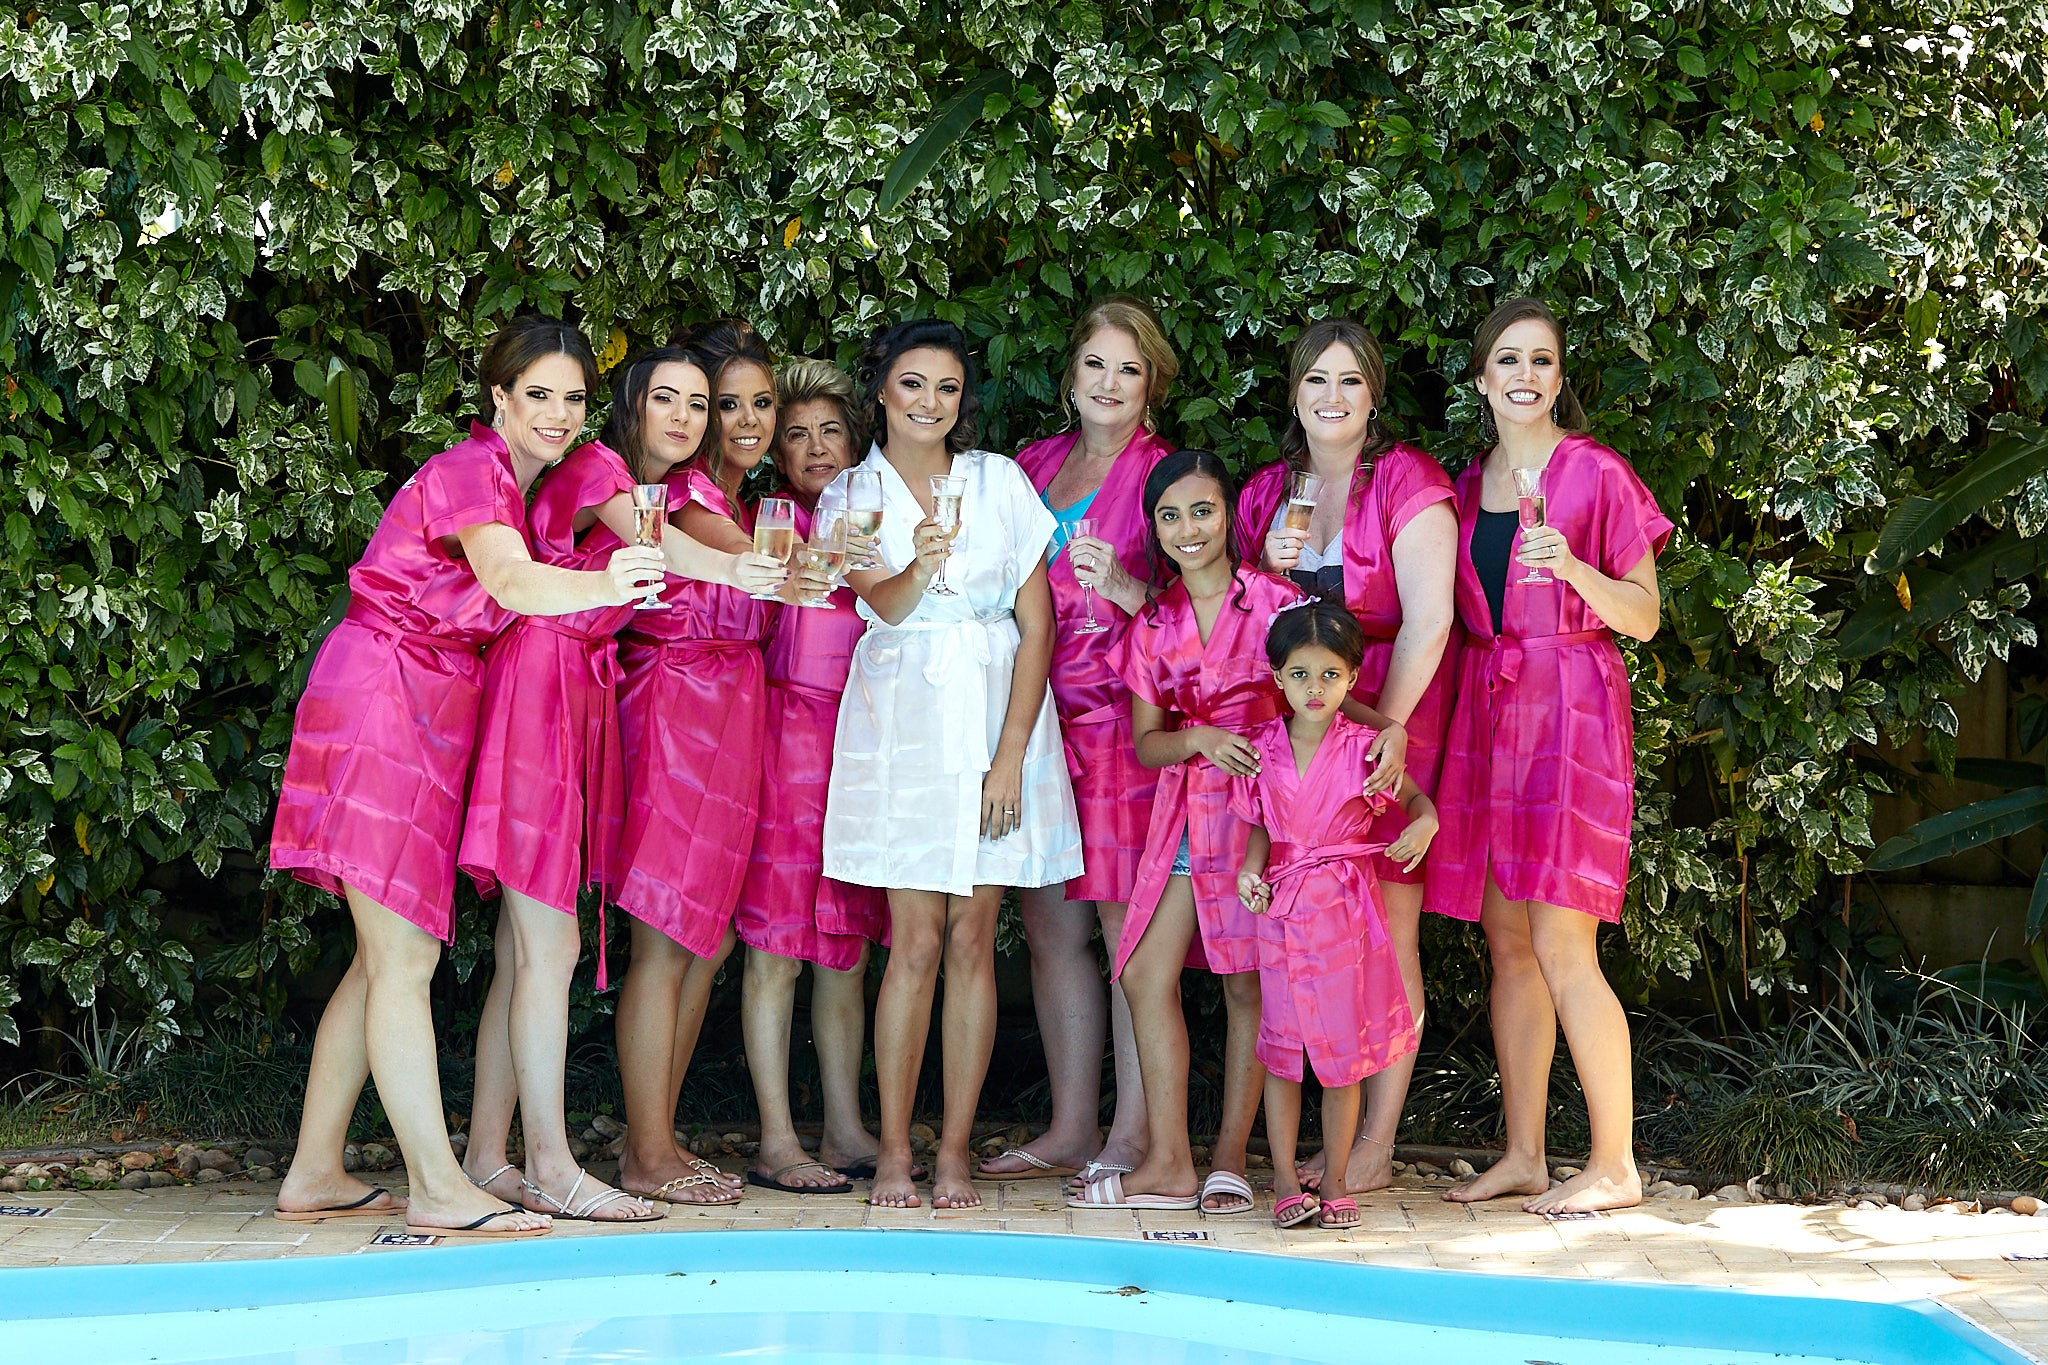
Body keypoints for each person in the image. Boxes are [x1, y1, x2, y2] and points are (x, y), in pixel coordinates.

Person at [271, 316, 683, 1237]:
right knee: (406, 955)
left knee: (379, 958)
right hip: (384, 699)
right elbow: (510, 582)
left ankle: (312, 1169)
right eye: (538, 393)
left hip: (424, 708)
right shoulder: (470, 471)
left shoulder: (523, 483)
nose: (557, 412)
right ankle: (437, 1185)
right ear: (498, 398)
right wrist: (610, 582)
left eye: (573, 398)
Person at [820, 318, 1082, 1211]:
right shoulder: (851, 493)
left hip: (993, 714)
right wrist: (915, 561)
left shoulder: (999, 480)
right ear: (881, 392)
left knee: (975, 936)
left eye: (946, 388)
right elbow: (883, 606)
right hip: (900, 722)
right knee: (916, 940)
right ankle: (895, 1150)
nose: (930, 403)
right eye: (911, 384)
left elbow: (1037, 622)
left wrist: (1010, 755)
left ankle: (957, 1151)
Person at [1430, 297, 1673, 1215]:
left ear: (1558, 378)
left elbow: (1644, 618)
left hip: (1572, 715)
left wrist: (1572, 568)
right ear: (1482, 379)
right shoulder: (1465, 486)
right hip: (1490, 722)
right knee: (1507, 943)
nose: (1524, 375)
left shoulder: (1596, 473)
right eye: (1508, 360)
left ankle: (1614, 1162)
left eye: (1541, 360)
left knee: (1565, 942)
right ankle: (1526, 1152)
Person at [1236, 319, 1454, 1196]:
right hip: (1298, 738)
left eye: (1351, 381)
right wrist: (1266, 565)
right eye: (1316, 380)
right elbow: (1244, 615)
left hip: (1396, 719)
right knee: (1298, 936)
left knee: (1384, 934)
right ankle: (1306, 1138)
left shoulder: (1407, 481)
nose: (1333, 397)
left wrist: (1384, 730)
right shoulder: (1265, 493)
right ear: (1294, 393)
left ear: (1375, 396)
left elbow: (1431, 617)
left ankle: (1374, 1138)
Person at [1072, 450, 1319, 1214]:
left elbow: (1320, 701)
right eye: (1171, 515)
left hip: (1263, 816)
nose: (1188, 529)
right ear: (1154, 526)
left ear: (1229, 516)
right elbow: (1148, 741)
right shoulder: (1153, 621)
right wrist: (1200, 740)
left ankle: (1230, 1159)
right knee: (1144, 972)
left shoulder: (1278, 604)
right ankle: (1170, 1161)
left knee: (1248, 982)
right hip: (1185, 812)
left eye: (1203, 511)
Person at [605, 325, 796, 1206]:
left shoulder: (737, 495)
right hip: (677, 709)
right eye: (730, 403)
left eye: (764, 403)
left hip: (729, 713)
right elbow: (771, 569)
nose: (749, 419)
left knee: (703, 938)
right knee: (665, 934)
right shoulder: (682, 493)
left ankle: (662, 1136)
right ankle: (645, 1151)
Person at [989, 297, 1177, 1186]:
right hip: (1034, 720)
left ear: (1151, 387)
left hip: (1119, 727)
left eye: (1129, 369)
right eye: (1096, 365)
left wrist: (1135, 584)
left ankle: (1135, 1133)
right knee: (1050, 926)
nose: (1110, 383)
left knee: (1127, 930)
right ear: (1071, 378)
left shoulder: (1165, 477)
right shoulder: (1031, 466)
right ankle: (1070, 1126)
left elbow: (1203, 614)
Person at [731, 359, 887, 1194]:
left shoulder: (879, 516)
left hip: (861, 750)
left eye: (830, 430)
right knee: (776, 948)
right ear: (778, 455)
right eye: (796, 434)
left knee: (844, 948)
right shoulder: (768, 525)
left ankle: (843, 1123)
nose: (816, 446)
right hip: (786, 747)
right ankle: (776, 1137)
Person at [1233, 601, 1436, 1230]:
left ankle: (1340, 1180)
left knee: (1342, 1056)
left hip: (1345, 911)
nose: (1314, 689)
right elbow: (1263, 830)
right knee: (1283, 1051)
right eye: (1299, 675)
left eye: (1329, 675)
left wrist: (1426, 822)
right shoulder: (1261, 748)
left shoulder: (1366, 748)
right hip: (1283, 914)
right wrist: (1248, 871)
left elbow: (1415, 799)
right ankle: (1289, 1184)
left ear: (1352, 679)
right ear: (1277, 676)